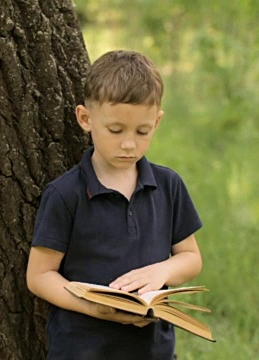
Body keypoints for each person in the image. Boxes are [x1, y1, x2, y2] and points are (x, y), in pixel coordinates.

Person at [26, 50, 203, 360]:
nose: (129, 144)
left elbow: (190, 257)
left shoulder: (168, 185)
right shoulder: (66, 193)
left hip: (153, 350)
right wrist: (93, 307)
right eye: (115, 130)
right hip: (82, 349)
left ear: (157, 122)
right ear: (85, 118)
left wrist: (162, 270)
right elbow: (39, 276)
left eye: (142, 131)